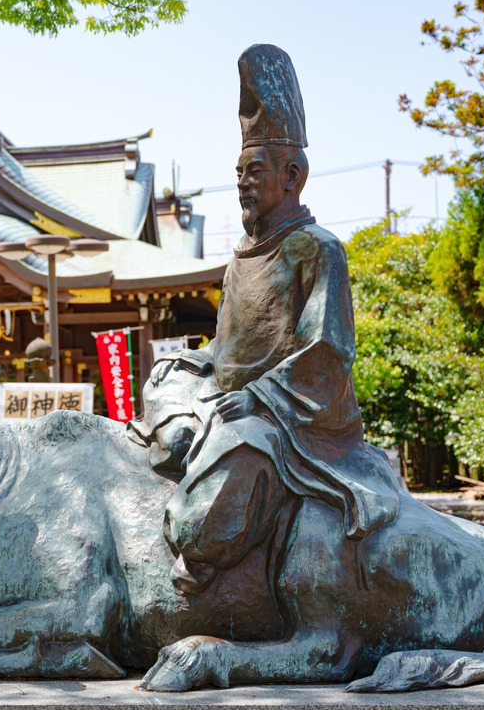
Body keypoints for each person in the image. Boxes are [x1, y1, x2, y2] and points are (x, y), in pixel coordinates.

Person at [132, 44, 401, 591]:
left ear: (293, 175)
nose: (243, 182)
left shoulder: (317, 249)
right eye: (239, 172)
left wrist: (258, 396)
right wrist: (195, 363)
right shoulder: (239, 260)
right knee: (167, 375)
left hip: (293, 414)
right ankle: (185, 439)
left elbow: (325, 352)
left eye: (255, 170)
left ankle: (200, 551)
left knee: (244, 443)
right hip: (232, 392)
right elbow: (226, 346)